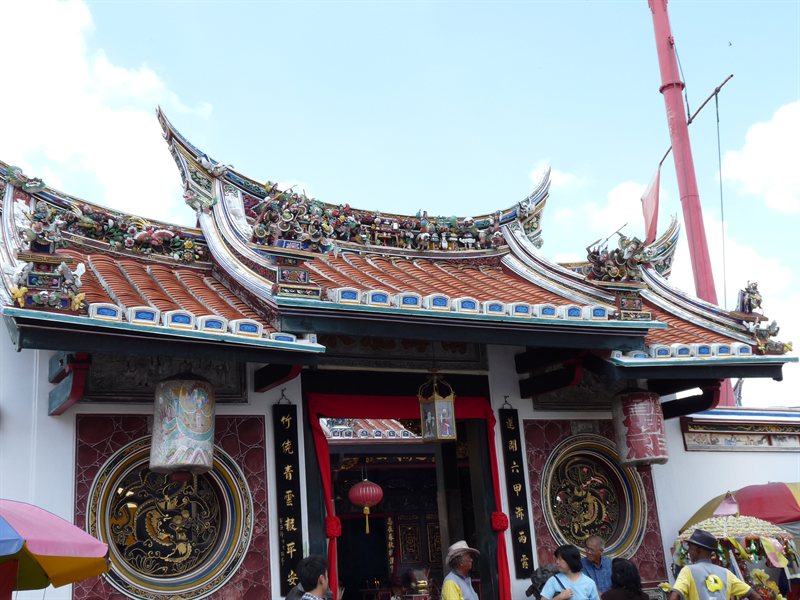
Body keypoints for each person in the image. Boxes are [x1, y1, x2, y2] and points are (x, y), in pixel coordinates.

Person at [669, 529, 763, 600]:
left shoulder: (688, 571)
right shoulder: (726, 573)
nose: (688, 551)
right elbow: (756, 597)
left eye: (690, 547)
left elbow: (674, 597)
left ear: (698, 549)